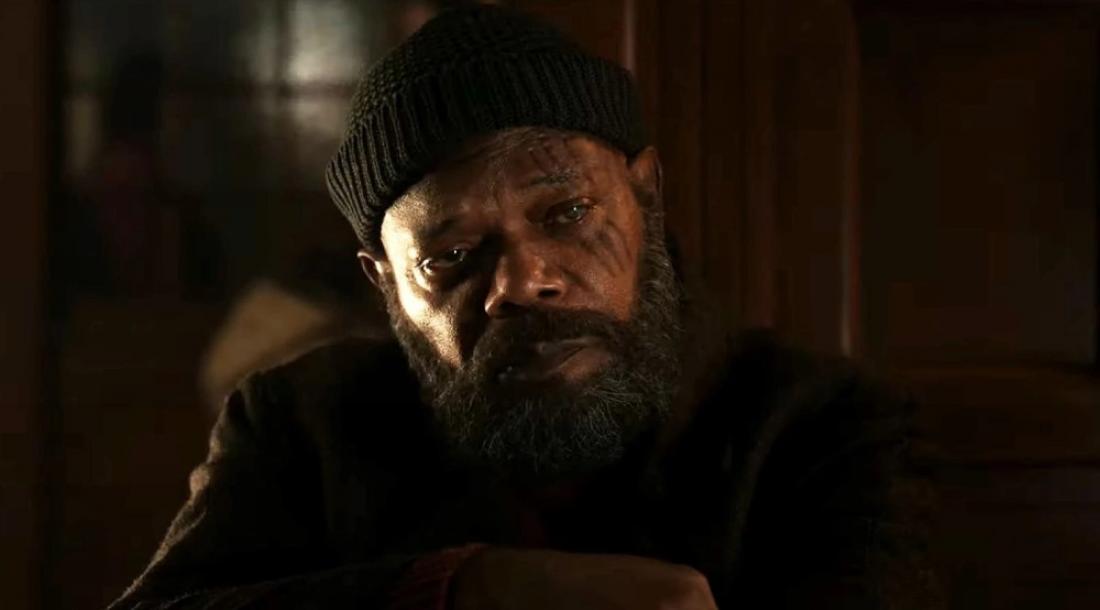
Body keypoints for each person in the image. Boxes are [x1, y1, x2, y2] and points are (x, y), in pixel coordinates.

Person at [110, 6, 939, 609]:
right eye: (450, 257)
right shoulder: (301, 426)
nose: (521, 281)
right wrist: (465, 588)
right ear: (385, 283)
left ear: (646, 196)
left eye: (566, 213)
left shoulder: (820, 428)